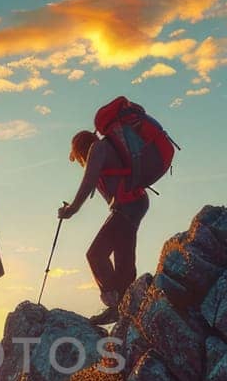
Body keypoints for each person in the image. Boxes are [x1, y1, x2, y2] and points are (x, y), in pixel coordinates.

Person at [60, 123, 166, 325]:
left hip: (128, 206)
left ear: (80, 149)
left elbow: (88, 181)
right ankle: (127, 308)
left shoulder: (97, 149)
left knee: (96, 254)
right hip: (135, 203)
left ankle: (117, 306)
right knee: (123, 258)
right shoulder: (109, 147)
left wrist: (72, 209)